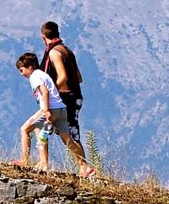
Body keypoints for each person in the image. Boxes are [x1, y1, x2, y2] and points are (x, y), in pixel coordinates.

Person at [39, 21, 103, 179]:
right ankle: (83, 168)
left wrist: (50, 90)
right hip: (76, 97)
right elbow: (78, 77)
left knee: (50, 128)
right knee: (68, 132)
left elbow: (63, 77)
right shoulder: (67, 51)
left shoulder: (54, 53)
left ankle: (82, 167)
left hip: (64, 98)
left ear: (43, 37)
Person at [13, 52, 69, 171]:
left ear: (30, 67)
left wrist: (47, 110)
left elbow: (44, 91)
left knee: (24, 129)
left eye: (22, 70)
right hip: (61, 108)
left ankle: (25, 160)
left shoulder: (35, 76)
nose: (21, 74)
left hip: (49, 109)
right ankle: (83, 165)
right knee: (50, 135)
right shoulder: (43, 74)